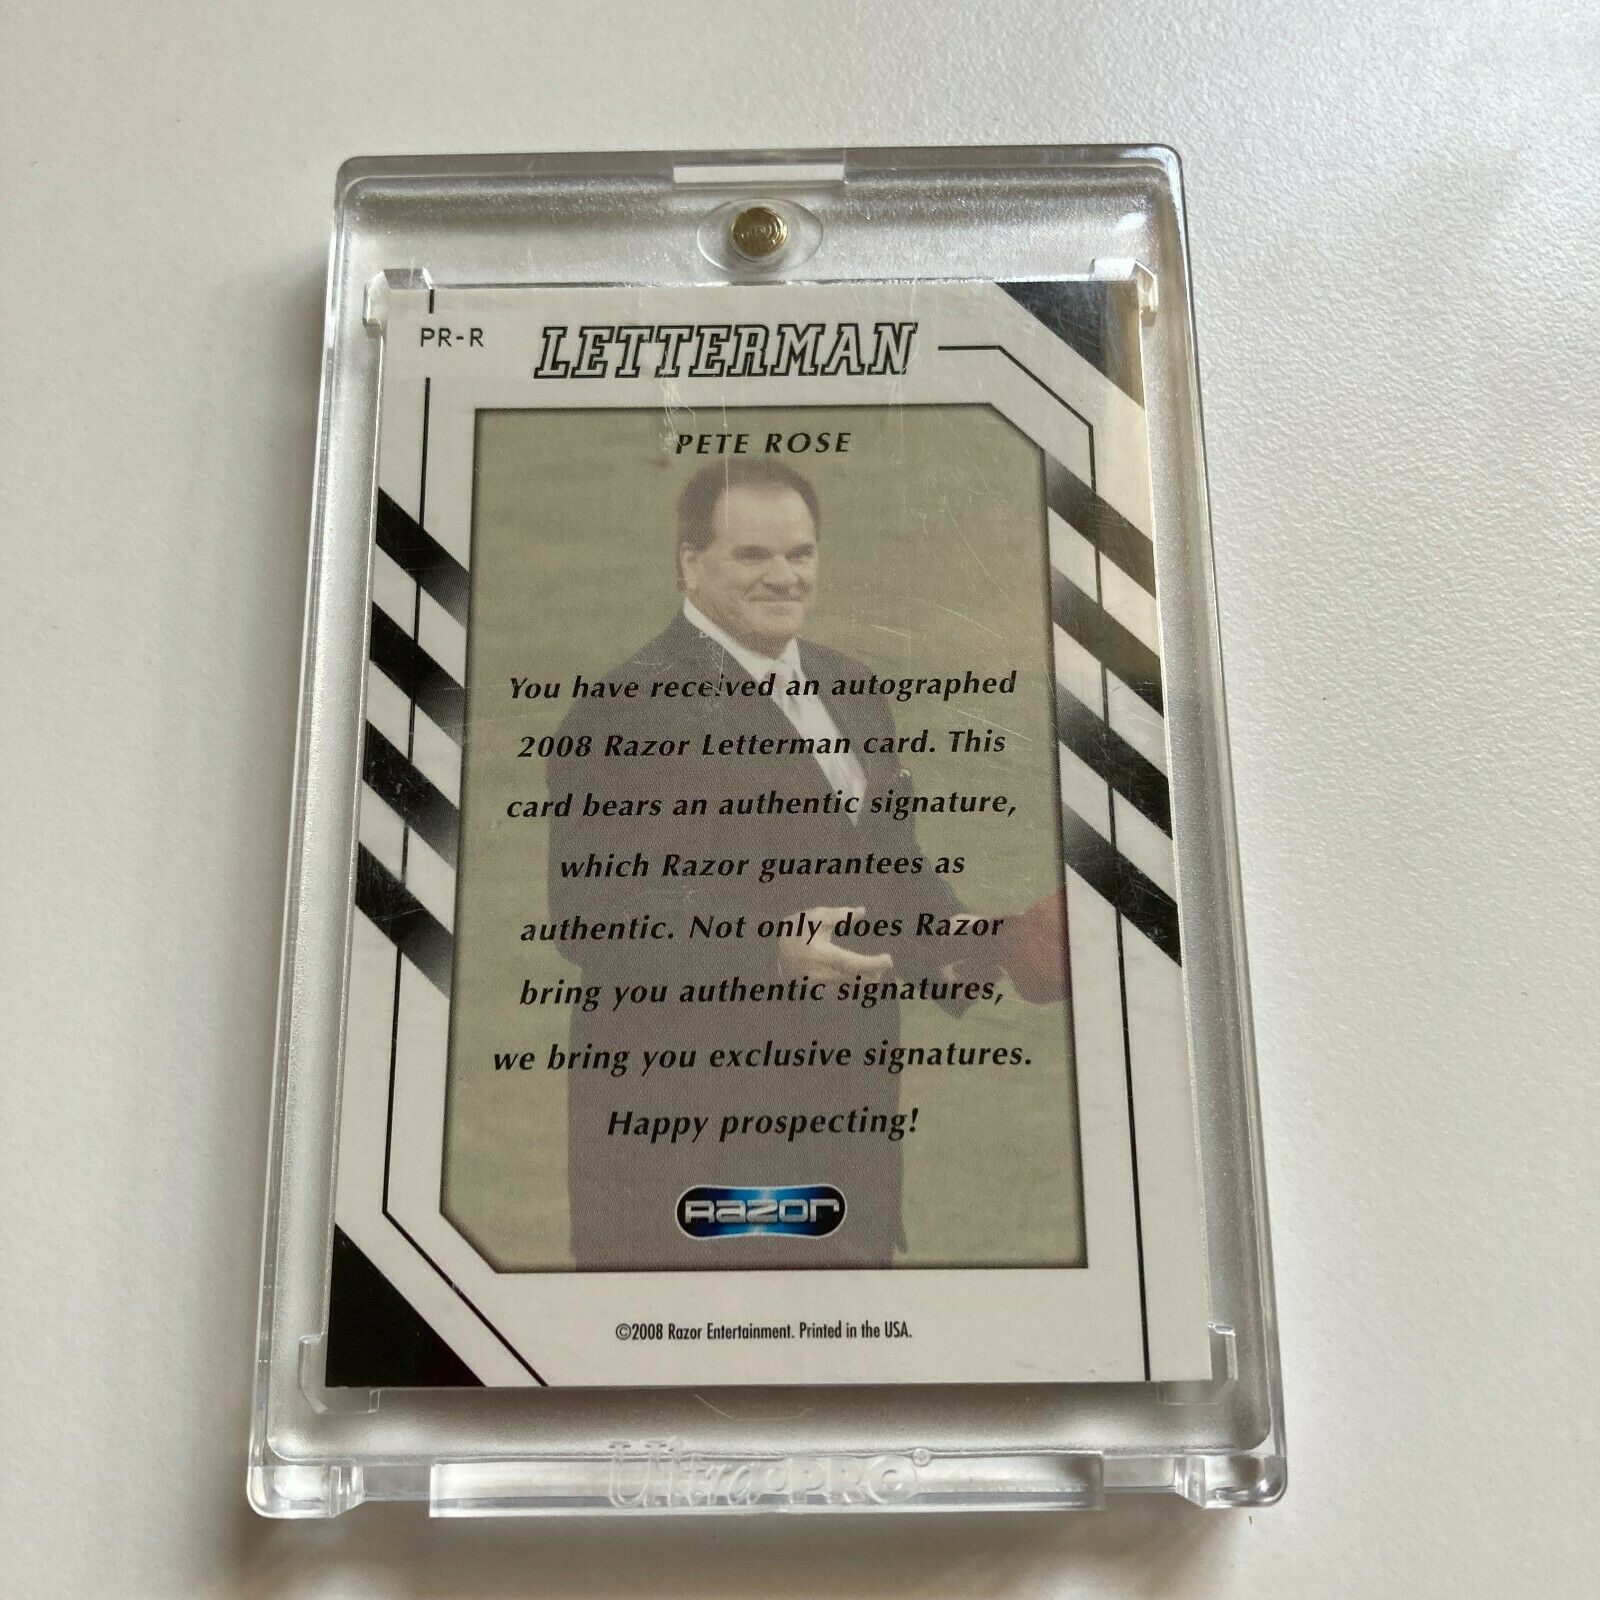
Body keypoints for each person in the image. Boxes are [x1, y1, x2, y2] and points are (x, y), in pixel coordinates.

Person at [546, 460, 993, 1269]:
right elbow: (592, 916)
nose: (784, 576)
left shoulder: (851, 686)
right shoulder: (623, 711)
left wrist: (954, 941)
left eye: (800, 553)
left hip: (847, 1132)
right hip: (687, 1140)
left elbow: (888, 863)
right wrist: (768, 953)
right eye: (753, 555)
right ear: (691, 564)